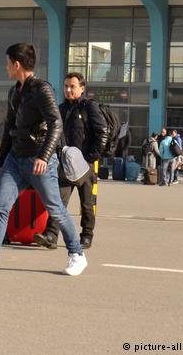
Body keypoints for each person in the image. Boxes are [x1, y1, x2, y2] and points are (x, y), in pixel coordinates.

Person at [0, 43, 87, 277]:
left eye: (8, 63)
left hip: (39, 161)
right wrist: (0, 162)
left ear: (17, 64)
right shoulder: (14, 91)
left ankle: (77, 253)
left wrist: (44, 155)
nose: (6, 67)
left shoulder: (42, 89)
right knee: (0, 206)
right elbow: (10, 126)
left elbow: (56, 124)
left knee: (55, 208)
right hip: (15, 158)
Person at [33, 72, 108, 250]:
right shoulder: (60, 109)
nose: (68, 90)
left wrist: (90, 157)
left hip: (85, 165)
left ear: (82, 88)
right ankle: (51, 235)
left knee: (87, 204)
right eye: (66, 86)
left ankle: (87, 235)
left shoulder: (90, 107)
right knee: (58, 201)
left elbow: (102, 132)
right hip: (64, 164)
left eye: (72, 86)